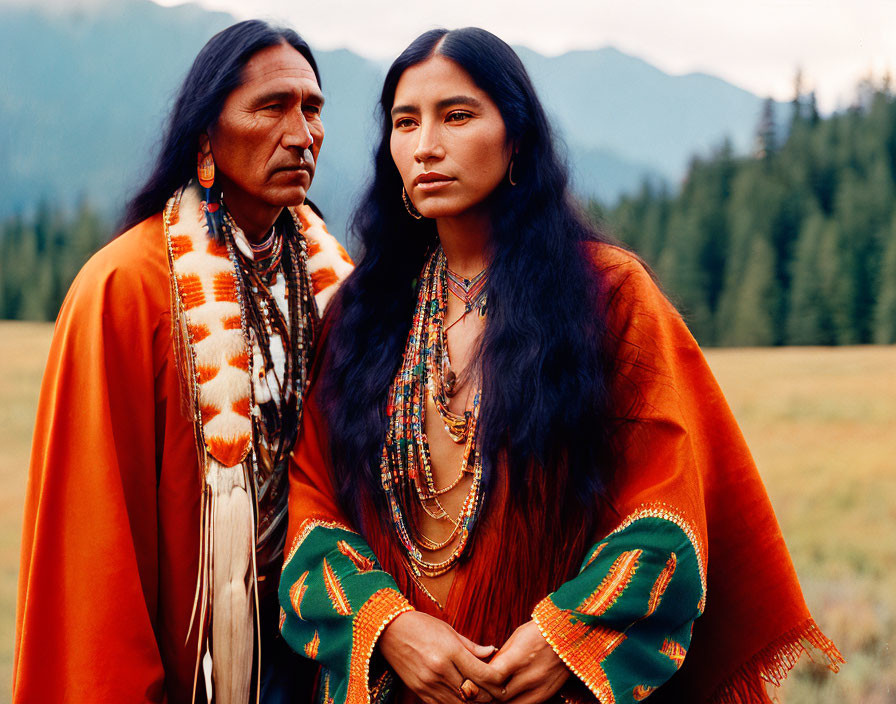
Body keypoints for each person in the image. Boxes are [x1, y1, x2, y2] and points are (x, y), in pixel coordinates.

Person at [278, 27, 842, 704]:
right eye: (405, 122)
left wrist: (563, 638)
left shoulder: (607, 295)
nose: (426, 145)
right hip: (403, 684)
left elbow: (666, 510)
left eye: (457, 116)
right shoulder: (361, 313)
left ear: (517, 140)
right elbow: (310, 502)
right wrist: (390, 628)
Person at [14, 20, 352, 704]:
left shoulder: (340, 286)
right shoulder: (125, 289)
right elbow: (95, 544)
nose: (301, 134)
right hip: (193, 659)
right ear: (206, 133)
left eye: (312, 108)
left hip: (321, 650)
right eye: (271, 107)